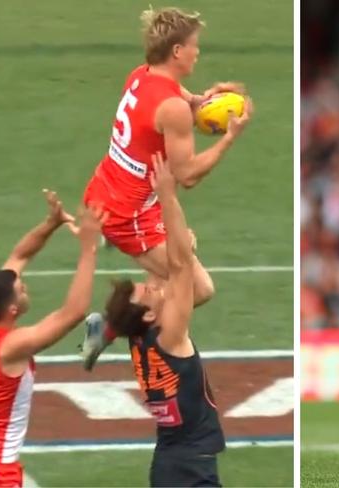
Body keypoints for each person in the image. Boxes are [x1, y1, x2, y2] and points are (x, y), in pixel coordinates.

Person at [81, 6, 254, 370]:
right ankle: (125, 339)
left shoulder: (143, 76)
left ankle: (111, 333)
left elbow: (187, 105)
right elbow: (187, 175)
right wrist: (229, 140)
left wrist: (215, 99)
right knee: (198, 288)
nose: (198, 52)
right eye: (194, 46)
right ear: (177, 51)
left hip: (116, 189)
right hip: (127, 211)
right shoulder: (171, 105)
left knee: (164, 279)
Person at [100, 153, 224, 487]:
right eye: (144, 291)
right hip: (191, 466)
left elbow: (169, 274)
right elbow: (180, 266)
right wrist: (167, 196)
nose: (149, 284)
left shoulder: (141, 333)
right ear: (150, 313)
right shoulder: (170, 335)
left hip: (168, 461)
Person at [0, 191, 105, 487]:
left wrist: (51, 223)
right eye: (23, 289)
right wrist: (88, 247)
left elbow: (20, 256)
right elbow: (73, 313)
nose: (25, 286)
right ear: (13, 309)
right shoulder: (10, 348)